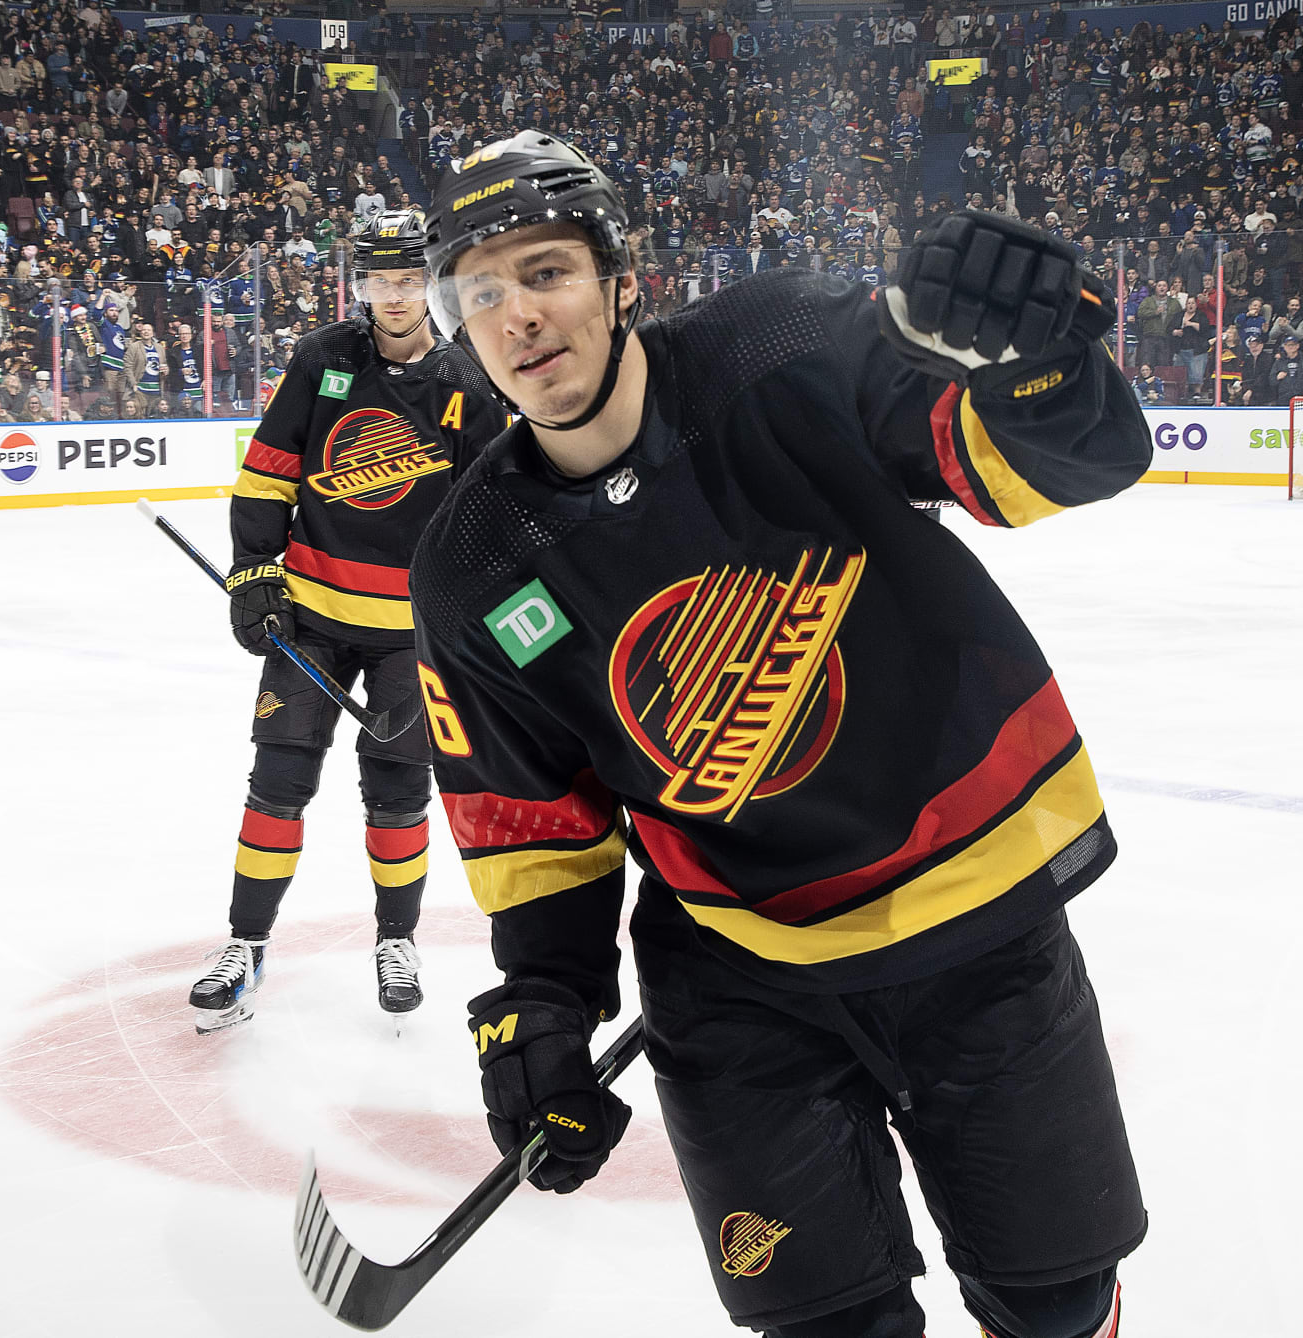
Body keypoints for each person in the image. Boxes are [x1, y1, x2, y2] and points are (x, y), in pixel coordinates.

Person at [416, 131, 1147, 1338]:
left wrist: (1044, 367)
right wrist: (543, 1005)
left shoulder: (783, 346)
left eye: (545, 271)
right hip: (739, 976)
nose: (516, 316)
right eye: (481, 291)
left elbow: (1027, 465)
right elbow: (536, 825)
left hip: (972, 920)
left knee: (1054, 1303)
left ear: (619, 276)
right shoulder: (471, 563)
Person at [187, 209, 507, 1034]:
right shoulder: (321, 360)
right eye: (378, 280)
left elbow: (493, 513)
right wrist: (256, 570)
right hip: (312, 622)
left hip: (411, 635)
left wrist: (467, 619)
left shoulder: (468, 383)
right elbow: (266, 475)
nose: (393, 296)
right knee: (277, 786)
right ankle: (245, 944)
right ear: (359, 282)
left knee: (398, 796)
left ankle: (396, 942)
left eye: (406, 280)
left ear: (427, 281)